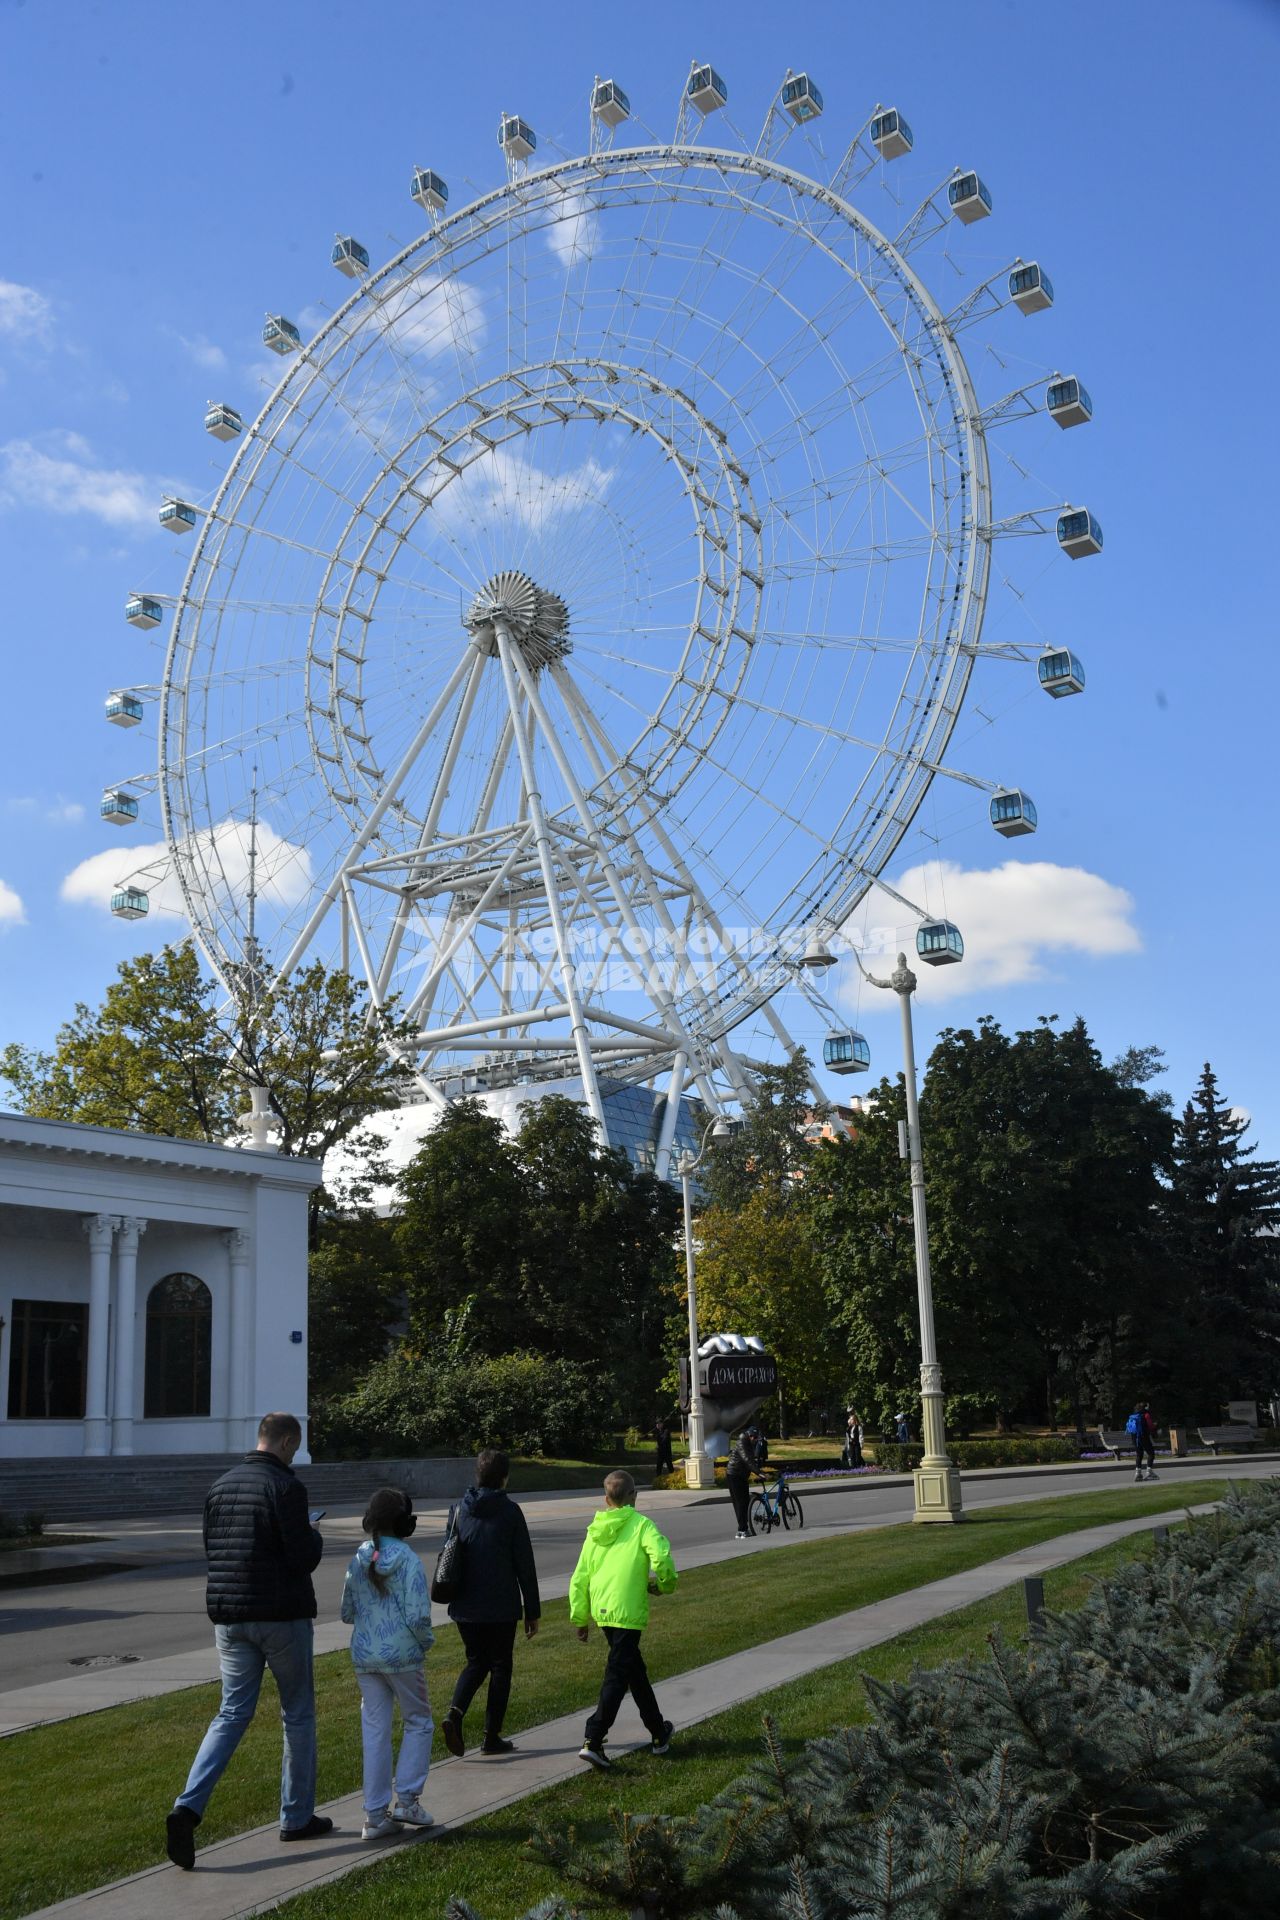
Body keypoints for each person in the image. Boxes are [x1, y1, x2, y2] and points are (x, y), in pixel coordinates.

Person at [165, 1411, 331, 1871]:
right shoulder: (287, 1487)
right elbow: (300, 1557)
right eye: (293, 1446)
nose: (293, 1454)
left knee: (231, 1712)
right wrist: (315, 1536)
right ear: (284, 1441)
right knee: (297, 1714)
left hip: (229, 1616)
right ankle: (296, 1816)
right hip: (281, 1615)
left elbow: (212, 1547)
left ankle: (188, 1807)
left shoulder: (219, 1486)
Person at [341, 1486, 435, 1841]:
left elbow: (347, 1611)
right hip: (404, 1656)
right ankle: (408, 1799)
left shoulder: (360, 1556)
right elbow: (418, 1616)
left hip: (365, 1657)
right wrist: (425, 1643)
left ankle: (375, 1814)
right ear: (406, 1524)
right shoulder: (409, 1560)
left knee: (375, 1729)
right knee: (419, 1721)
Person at [570, 1469, 677, 1769]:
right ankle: (594, 1737)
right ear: (634, 1496)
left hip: (603, 1610)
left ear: (606, 1499)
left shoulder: (595, 1531)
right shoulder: (642, 1525)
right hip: (628, 1611)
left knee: (633, 1671)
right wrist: (664, 1585)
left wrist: (580, 1617)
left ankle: (658, 1732)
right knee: (618, 1674)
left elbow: (580, 1577)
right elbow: (662, 1558)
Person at [440, 1448, 540, 1759]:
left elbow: (449, 1551)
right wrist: (532, 1610)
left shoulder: (458, 1510)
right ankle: (491, 1736)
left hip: (464, 1604)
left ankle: (455, 1714)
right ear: (504, 1478)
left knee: (475, 1662)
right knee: (500, 1666)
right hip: (500, 1605)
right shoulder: (510, 1512)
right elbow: (524, 1563)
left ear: (478, 1475)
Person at [725, 1426, 763, 1539]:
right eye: (752, 1436)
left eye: (756, 1437)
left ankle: (742, 1529)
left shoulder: (750, 1442)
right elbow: (747, 1459)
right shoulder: (742, 1441)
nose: (754, 1439)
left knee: (743, 1502)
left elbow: (753, 1458)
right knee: (740, 1502)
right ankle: (742, 1530)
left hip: (740, 1475)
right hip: (734, 1474)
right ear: (748, 1434)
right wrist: (758, 1472)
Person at [1127, 1401, 1158, 1482]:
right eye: (1147, 1407)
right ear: (1145, 1407)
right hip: (1143, 1436)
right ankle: (1149, 1472)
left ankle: (1138, 1473)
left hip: (1134, 1437)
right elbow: (1150, 1426)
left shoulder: (1133, 1415)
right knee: (1151, 1453)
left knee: (1139, 1455)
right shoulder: (1146, 1414)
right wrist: (1155, 1425)